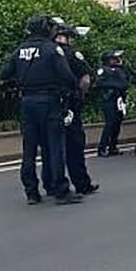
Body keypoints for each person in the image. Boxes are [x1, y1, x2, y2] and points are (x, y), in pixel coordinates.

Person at [0, 15, 83, 205]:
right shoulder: (52, 49)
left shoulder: (20, 50)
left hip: (27, 101)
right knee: (54, 146)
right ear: (46, 29)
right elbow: (67, 76)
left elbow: (4, 73)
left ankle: (31, 192)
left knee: (29, 149)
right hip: (49, 101)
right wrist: (73, 91)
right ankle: (60, 189)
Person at [54, 24, 98, 195]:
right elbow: (85, 79)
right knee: (74, 145)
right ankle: (81, 183)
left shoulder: (46, 52)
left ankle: (53, 185)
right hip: (70, 103)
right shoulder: (71, 53)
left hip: (50, 104)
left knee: (53, 147)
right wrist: (80, 95)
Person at [96, 50, 128, 157]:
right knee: (110, 123)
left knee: (117, 123)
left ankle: (113, 146)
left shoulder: (120, 70)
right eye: (113, 59)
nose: (116, 60)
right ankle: (103, 147)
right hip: (109, 99)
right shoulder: (103, 70)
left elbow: (125, 83)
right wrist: (116, 85)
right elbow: (99, 83)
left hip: (119, 99)